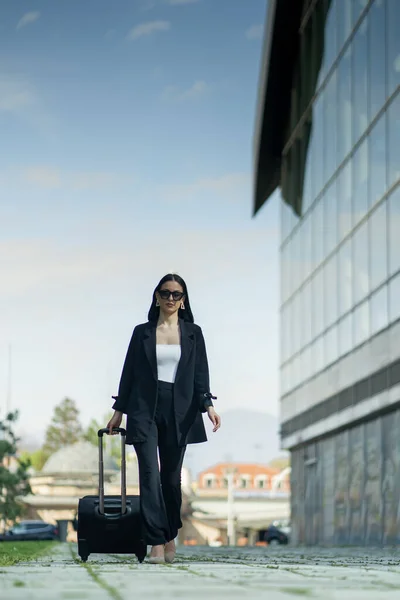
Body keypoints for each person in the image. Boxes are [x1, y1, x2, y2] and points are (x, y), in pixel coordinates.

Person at [107, 273, 221, 564]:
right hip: (144, 408)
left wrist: (208, 407)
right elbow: (129, 373)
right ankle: (156, 542)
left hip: (180, 410)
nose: (171, 298)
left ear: (183, 300)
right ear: (157, 296)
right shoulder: (141, 332)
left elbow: (200, 375)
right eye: (166, 293)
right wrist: (119, 411)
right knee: (148, 475)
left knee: (170, 480)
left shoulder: (193, 333)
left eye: (177, 294)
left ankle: (170, 535)